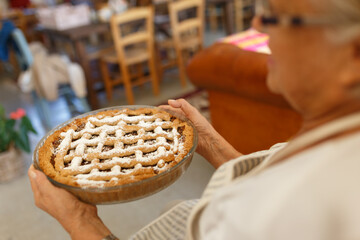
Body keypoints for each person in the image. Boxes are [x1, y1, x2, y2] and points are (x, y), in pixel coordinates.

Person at [28, 0, 360, 239]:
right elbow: (265, 174)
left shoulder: (292, 210)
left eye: (277, 15)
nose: (257, 25)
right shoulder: (337, 140)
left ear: (353, 54)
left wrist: (78, 219)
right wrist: (209, 140)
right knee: (175, 207)